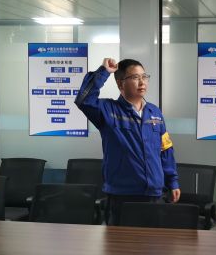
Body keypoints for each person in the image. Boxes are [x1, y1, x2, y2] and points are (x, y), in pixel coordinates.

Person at [75, 58, 180, 225]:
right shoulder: (108, 111)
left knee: (153, 241)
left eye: (144, 77)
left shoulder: (154, 112)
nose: (142, 82)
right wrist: (103, 72)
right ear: (120, 83)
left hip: (154, 194)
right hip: (122, 196)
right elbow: (84, 99)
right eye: (135, 77)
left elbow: (165, 149)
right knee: (121, 242)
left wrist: (172, 182)